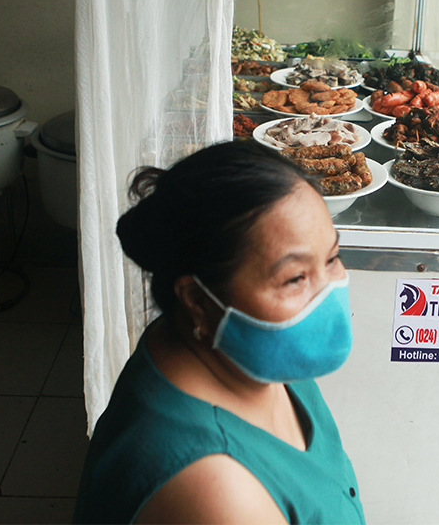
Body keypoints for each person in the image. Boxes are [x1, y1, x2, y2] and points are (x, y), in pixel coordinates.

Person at [74, 140, 364, 525]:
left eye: (332, 258)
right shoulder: (218, 492)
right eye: (295, 278)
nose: (327, 290)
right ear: (197, 298)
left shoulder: (242, 350)